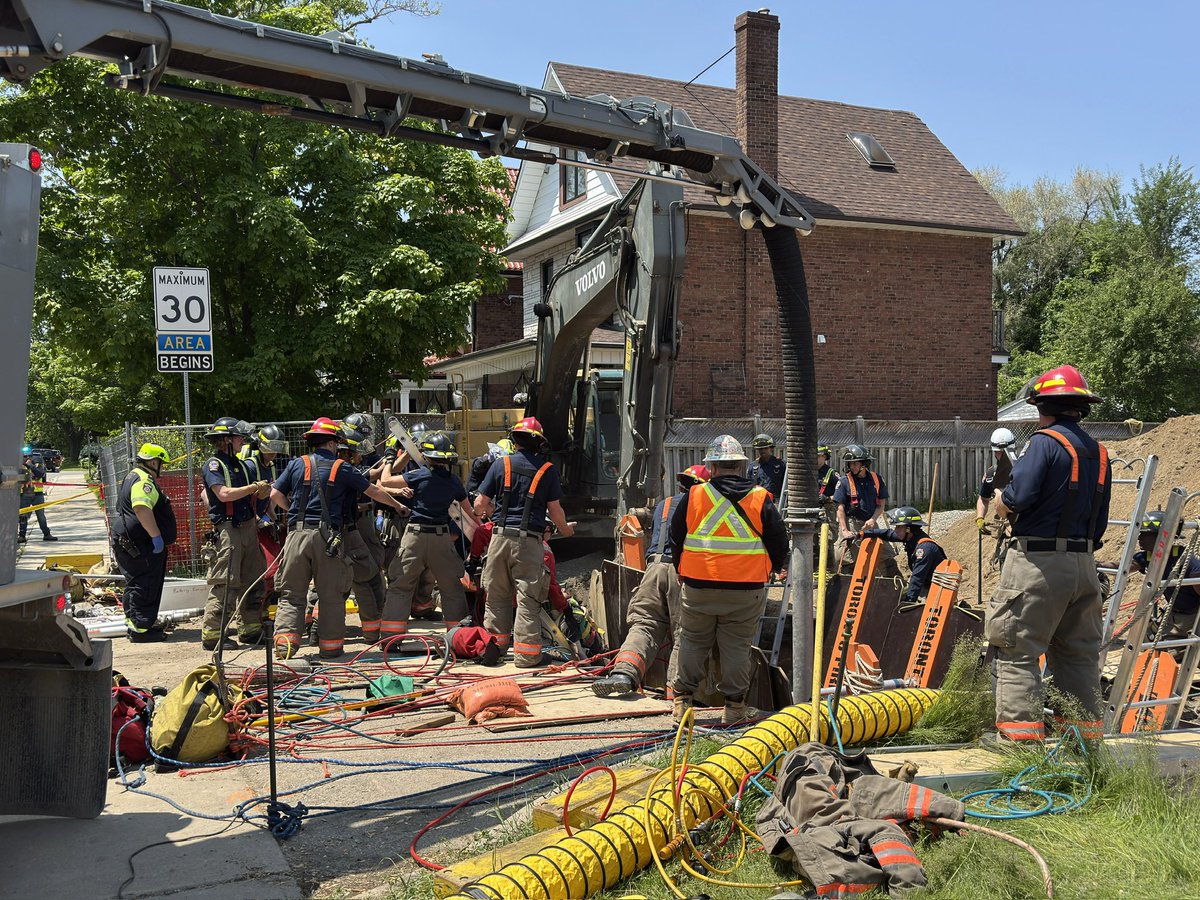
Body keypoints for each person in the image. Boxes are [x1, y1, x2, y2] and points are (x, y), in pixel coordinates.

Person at [988, 364, 1111, 745]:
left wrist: (1000, 503)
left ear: (1043, 405)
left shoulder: (1043, 442)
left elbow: (1019, 496)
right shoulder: (1099, 452)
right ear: (1081, 406)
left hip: (1038, 564)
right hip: (1084, 565)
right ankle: (1082, 741)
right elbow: (1101, 520)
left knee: (1017, 648)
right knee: (1077, 654)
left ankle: (1020, 742)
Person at [670, 435, 788, 724]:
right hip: (745, 590)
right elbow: (779, 541)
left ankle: (682, 703)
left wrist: (680, 570)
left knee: (693, 640)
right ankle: (733, 709)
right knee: (736, 646)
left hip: (699, 585)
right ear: (741, 466)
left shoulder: (695, 495)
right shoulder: (760, 498)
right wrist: (771, 567)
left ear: (711, 466)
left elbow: (675, 537)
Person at [270, 417, 409, 660]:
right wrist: (398, 505)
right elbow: (374, 491)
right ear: (334, 443)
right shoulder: (341, 468)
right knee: (331, 594)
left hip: (295, 535)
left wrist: (292, 510)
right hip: (327, 537)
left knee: (291, 594)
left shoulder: (296, 464)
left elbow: (274, 494)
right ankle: (330, 648)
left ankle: (285, 647)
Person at [592, 464, 711, 698]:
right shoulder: (702, 507)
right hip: (680, 572)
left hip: (653, 570)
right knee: (685, 632)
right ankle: (676, 694)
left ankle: (624, 673)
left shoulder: (663, 507)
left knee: (645, 624)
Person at [474, 416, 575, 668]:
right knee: (528, 598)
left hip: (498, 539)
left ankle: (493, 649)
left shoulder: (501, 465)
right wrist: (566, 531)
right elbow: (555, 510)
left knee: (496, 596)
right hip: (529, 542)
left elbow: (479, 504)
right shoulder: (547, 470)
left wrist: (487, 516)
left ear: (514, 439)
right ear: (539, 443)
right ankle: (527, 656)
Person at [379, 430, 481, 648]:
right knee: (451, 588)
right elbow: (469, 513)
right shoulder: (454, 482)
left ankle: (390, 639)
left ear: (427, 456)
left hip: (414, 536)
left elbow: (385, 479)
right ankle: (458, 638)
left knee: (401, 586)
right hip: (441, 538)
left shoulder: (419, 475)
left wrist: (390, 456)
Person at [200, 417, 269, 651]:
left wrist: (263, 491)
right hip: (229, 530)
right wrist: (252, 488)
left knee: (254, 579)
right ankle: (213, 636)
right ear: (226, 440)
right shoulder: (214, 465)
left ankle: (250, 630)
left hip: (248, 527)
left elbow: (255, 497)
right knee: (226, 583)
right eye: (238, 437)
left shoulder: (240, 465)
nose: (242, 441)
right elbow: (224, 494)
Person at [110, 444, 177, 642]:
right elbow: (141, 508)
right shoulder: (144, 480)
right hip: (140, 542)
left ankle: (136, 624)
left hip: (130, 540)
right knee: (145, 583)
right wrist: (156, 536)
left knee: (136, 581)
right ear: (153, 462)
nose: (161, 469)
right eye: (161, 464)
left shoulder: (132, 476)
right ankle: (142, 629)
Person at [1130, 510, 1200, 639]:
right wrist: (1096, 564)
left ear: (1160, 537)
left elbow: (1197, 576)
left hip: (1193, 617)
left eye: (1145, 535)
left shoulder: (1181, 556)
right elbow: (1126, 567)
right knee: (1158, 646)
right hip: (1174, 616)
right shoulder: (1149, 557)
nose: (1139, 538)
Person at [860, 507, 947, 606]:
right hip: (925, 584)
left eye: (898, 527)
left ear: (908, 529)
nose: (895, 530)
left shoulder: (924, 549)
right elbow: (887, 533)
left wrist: (907, 603)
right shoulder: (911, 537)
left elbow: (917, 579)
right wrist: (863, 534)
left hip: (937, 590)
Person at [832, 444, 891, 570]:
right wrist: (844, 530)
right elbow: (840, 508)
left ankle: (897, 586)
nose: (852, 467)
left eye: (855, 463)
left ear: (864, 464)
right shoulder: (844, 482)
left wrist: (873, 519)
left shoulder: (877, 479)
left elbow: (881, 505)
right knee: (847, 559)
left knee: (885, 556)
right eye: (850, 464)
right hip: (851, 523)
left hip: (870, 523)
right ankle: (846, 587)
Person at [976, 427, 1017, 530]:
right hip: (1003, 524)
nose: (1002, 455)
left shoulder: (1025, 469)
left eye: (1005, 452)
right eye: (998, 452)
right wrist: (980, 517)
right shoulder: (991, 474)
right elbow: (983, 499)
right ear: (994, 452)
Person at [18, 451, 57, 542]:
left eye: (27, 456)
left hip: (37, 494)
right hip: (24, 493)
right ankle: (22, 535)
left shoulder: (37, 464)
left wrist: (30, 466)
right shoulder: (19, 466)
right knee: (23, 515)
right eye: (24, 456)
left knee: (41, 516)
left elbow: (40, 474)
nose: (26, 458)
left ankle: (46, 534)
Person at [747, 433, 786, 502]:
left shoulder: (781, 465)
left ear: (771, 448)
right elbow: (750, 488)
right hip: (759, 503)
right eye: (760, 449)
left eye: (765, 448)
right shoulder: (753, 467)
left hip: (777, 504)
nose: (762, 451)